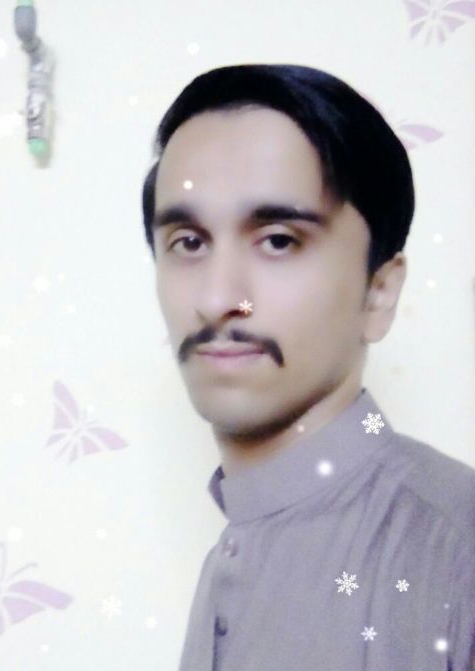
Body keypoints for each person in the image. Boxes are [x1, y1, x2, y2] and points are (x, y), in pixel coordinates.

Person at [140, 64, 475, 671]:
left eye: (278, 240)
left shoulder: (455, 549)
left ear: (379, 290)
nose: (218, 298)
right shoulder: (233, 554)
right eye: (188, 242)